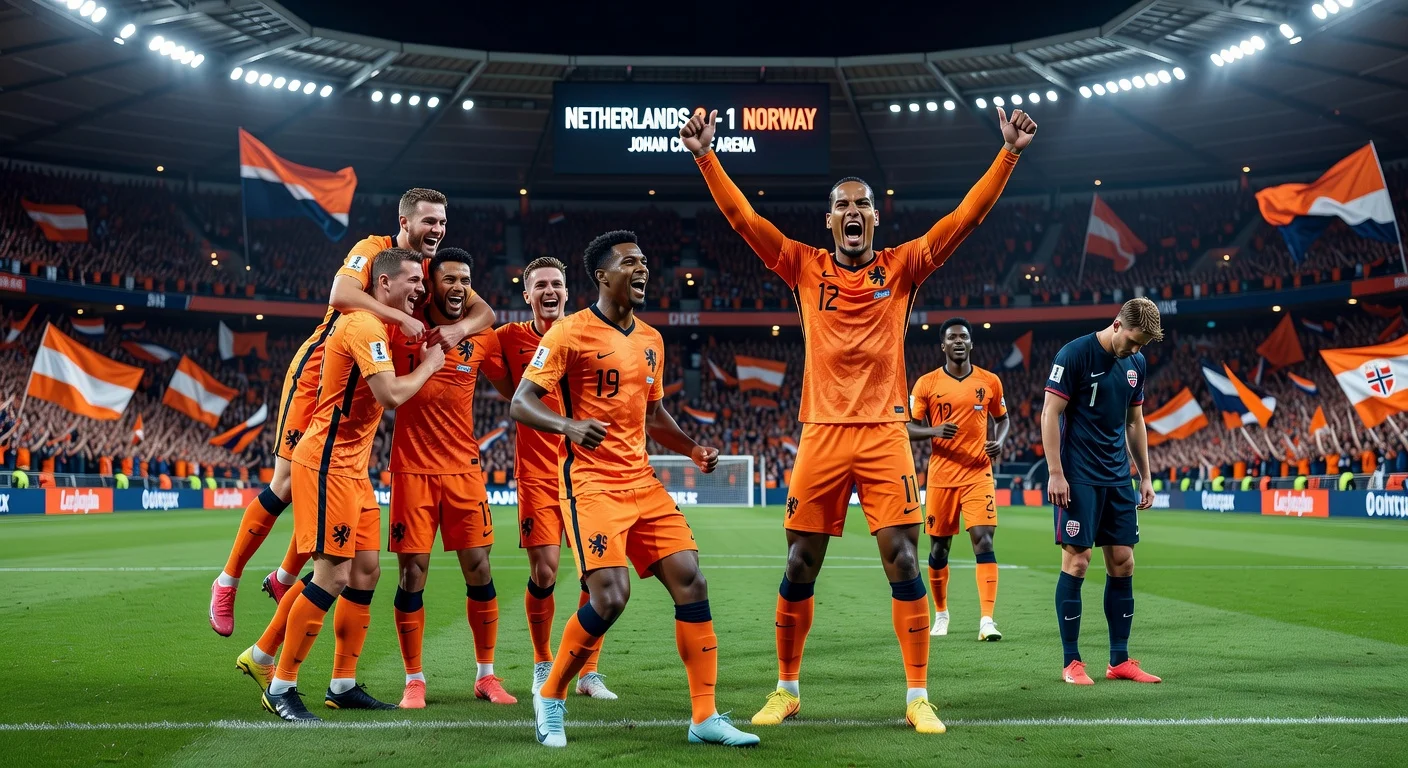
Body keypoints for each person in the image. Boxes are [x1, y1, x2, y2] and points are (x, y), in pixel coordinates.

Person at [681, 105, 1036, 733]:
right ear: (830, 220)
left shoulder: (900, 267)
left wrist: (1007, 152)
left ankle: (918, 695)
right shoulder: (801, 265)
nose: (852, 212)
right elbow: (742, 218)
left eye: (862, 205)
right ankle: (787, 688)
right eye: (841, 205)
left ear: (874, 217)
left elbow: (966, 219)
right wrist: (707, 156)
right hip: (820, 433)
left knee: (902, 557)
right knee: (799, 564)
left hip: (883, 435)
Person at [510, 230, 757, 749]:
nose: (642, 269)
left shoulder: (651, 339)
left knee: (692, 580)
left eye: (644, 261)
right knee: (611, 596)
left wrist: (691, 449)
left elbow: (653, 414)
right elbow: (521, 402)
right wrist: (569, 426)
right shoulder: (568, 334)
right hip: (590, 483)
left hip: (642, 480)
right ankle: (550, 694)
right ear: (603, 275)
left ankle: (704, 716)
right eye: (630, 262)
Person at [210, 188, 494, 637]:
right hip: (321, 372)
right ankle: (227, 581)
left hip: (366, 384)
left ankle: (283, 581)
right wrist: (399, 318)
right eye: (428, 222)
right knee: (286, 482)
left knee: (334, 490)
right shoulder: (374, 249)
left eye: (442, 222)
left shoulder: (425, 270)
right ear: (404, 222)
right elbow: (341, 293)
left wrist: (458, 328)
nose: (436, 230)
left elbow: (485, 310)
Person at [242, 248, 444, 721]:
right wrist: (431, 364)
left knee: (366, 570)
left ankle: (343, 683)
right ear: (385, 283)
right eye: (413, 280)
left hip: (354, 469)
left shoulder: (384, 324)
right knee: (331, 575)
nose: (421, 289)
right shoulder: (362, 327)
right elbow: (390, 395)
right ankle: (282, 685)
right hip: (326, 463)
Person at [381, 248, 516, 709]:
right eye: (449, 279)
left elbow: (515, 391)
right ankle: (414, 679)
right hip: (412, 470)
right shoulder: (402, 327)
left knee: (479, 568)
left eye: (465, 279)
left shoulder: (484, 338)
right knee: (412, 574)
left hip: (464, 471)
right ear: (430, 283)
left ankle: (486, 675)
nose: (458, 287)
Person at [492, 257, 616, 700]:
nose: (550, 290)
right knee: (544, 573)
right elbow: (512, 391)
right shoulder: (507, 339)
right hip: (538, 477)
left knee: (595, 579)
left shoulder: (588, 333)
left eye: (557, 284)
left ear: (567, 291)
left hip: (588, 474)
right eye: (540, 285)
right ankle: (544, 663)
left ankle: (588, 672)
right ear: (526, 295)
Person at [1041, 297, 1164, 687]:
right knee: (1078, 561)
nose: (1136, 349)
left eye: (1143, 344)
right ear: (1116, 324)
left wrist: (1144, 476)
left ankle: (1119, 660)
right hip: (1078, 476)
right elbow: (1050, 413)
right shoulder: (1074, 354)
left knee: (1124, 562)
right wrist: (1056, 472)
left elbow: (1134, 423)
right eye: (1134, 340)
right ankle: (1071, 662)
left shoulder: (1136, 364)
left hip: (1117, 478)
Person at [908, 317, 1009, 641]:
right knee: (939, 549)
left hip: (979, 473)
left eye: (963, 337)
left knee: (984, 540)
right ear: (943, 345)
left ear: (971, 343)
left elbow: (1003, 419)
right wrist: (933, 430)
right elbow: (907, 427)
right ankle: (941, 614)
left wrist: (1000, 441)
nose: (958, 342)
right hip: (941, 476)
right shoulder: (926, 383)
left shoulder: (989, 381)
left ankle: (987, 620)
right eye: (952, 337)